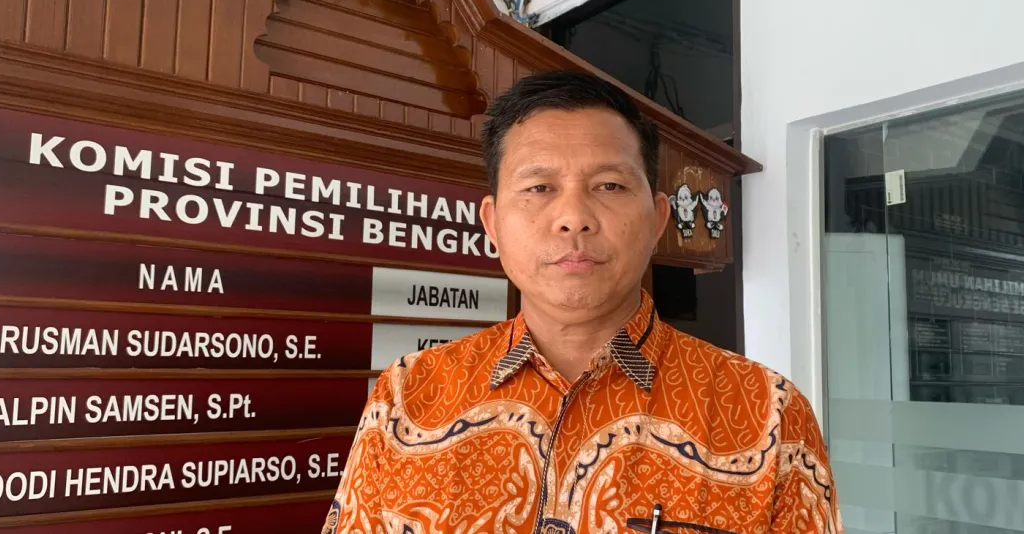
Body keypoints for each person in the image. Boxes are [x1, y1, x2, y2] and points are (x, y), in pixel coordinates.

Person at [323, 70, 843, 534]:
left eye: (609, 185)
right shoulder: (406, 396)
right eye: (539, 187)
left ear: (659, 220)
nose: (573, 217)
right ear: (493, 225)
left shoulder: (768, 413)